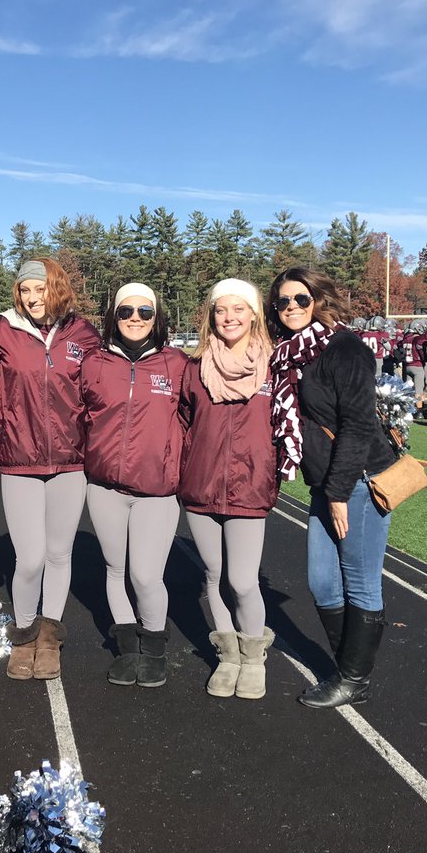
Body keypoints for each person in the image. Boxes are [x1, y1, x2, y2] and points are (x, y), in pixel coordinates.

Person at [269, 267, 397, 708]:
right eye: (282, 302)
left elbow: (358, 427)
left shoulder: (345, 348)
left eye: (300, 300)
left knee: (359, 582)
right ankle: (348, 667)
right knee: (323, 582)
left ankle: (353, 679)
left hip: (357, 481)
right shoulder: (289, 353)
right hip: (325, 482)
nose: (290, 309)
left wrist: (340, 493)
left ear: (320, 300)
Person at [0, 258, 100, 680]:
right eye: (25, 290)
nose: (33, 298)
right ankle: (23, 635)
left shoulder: (82, 334)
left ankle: (48, 639)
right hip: (19, 460)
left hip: (71, 462)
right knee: (30, 558)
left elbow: (101, 392)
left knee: (59, 554)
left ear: (57, 289)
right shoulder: (1, 330)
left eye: (40, 289)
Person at [82, 282, 188, 688]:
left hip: (157, 491)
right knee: (114, 569)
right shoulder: (94, 364)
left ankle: (155, 649)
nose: (135, 319)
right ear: (114, 316)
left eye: (145, 312)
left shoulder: (176, 365)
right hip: (105, 487)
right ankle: (128, 649)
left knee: (145, 576)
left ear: (156, 318)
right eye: (126, 311)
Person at [179, 278, 278, 699]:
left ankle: (254, 658)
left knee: (241, 579)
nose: (230, 317)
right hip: (201, 485)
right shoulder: (195, 367)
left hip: (249, 485)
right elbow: (184, 421)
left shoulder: (277, 366)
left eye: (239, 309)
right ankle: (228, 655)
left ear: (254, 313)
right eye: (221, 310)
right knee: (214, 575)